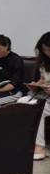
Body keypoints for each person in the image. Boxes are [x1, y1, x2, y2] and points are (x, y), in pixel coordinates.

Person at [29, 32, 50, 160]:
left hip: (45, 100)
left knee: (37, 108)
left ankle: (40, 146)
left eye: (49, 49)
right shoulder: (44, 64)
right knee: (21, 102)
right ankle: (27, 142)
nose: (47, 53)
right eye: (45, 50)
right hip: (44, 97)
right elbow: (43, 80)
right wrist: (36, 85)